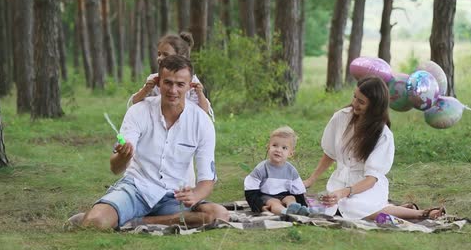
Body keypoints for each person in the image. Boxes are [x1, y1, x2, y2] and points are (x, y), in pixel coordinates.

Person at [81, 55, 229, 230]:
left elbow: (207, 179)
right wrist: (123, 156)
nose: (173, 90)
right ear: (158, 82)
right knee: (94, 223)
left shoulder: (202, 121)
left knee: (219, 215)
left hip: (176, 197)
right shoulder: (138, 112)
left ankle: (139, 222)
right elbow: (115, 168)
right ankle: (120, 215)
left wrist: (195, 196)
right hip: (136, 189)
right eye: (168, 83)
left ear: (190, 86)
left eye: (180, 84)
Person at [303, 76, 445, 221]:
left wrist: (343, 193)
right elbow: (329, 153)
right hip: (340, 182)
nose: (354, 103)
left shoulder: (383, 135)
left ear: (374, 106)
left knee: (353, 209)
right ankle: (394, 208)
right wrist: (310, 180)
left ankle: (421, 213)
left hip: (368, 186)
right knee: (331, 209)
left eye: (361, 102)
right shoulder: (341, 117)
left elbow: (371, 179)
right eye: (355, 97)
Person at [127, 31, 214, 121]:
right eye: (159, 54)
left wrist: (200, 93)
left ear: (180, 57)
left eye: (165, 54)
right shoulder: (154, 80)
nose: (159, 58)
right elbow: (135, 102)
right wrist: (146, 89)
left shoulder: (193, 83)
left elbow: (204, 110)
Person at [244, 126, 309, 215]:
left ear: (290, 153)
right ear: (268, 147)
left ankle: (297, 209)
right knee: (274, 202)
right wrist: (259, 206)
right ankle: (285, 212)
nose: (278, 150)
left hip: (284, 195)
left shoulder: (291, 170)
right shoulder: (262, 168)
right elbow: (250, 190)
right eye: (274, 145)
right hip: (266, 196)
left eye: (284, 148)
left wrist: (304, 204)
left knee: (291, 198)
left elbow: (298, 192)